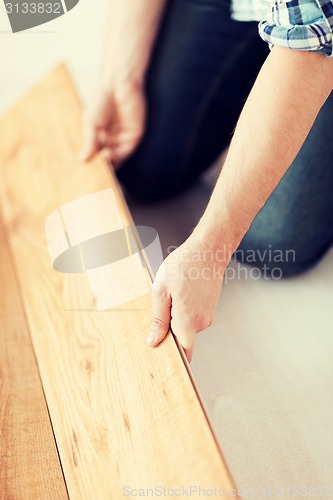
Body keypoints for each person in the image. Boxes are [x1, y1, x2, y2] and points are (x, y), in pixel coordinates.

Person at [81, 0, 333, 362]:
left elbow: (308, 42)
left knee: (270, 240)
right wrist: (121, 79)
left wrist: (211, 249)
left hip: (321, 28)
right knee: (142, 165)